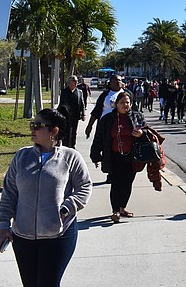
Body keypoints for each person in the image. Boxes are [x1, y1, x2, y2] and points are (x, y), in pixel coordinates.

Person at [0, 107, 92, 287]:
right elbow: (9, 192)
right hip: (23, 235)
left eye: (38, 125)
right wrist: (3, 225)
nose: (33, 129)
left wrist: (69, 205)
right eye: (33, 124)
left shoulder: (70, 158)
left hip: (59, 234)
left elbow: (85, 186)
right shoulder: (22, 157)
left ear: (53, 131)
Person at [89, 91, 146, 223]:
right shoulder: (107, 119)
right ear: (116, 104)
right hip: (113, 156)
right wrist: (96, 155)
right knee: (116, 183)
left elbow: (147, 132)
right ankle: (115, 210)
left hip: (132, 157)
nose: (125, 105)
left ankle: (122, 207)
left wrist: (142, 133)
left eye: (127, 102)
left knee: (127, 183)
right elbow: (99, 138)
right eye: (122, 102)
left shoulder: (138, 117)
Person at [84, 73, 125, 139]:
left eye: (119, 80)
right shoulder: (105, 95)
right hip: (105, 126)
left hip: (121, 126)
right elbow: (96, 111)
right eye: (115, 80)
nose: (117, 82)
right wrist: (89, 126)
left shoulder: (127, 94)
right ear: (110, 83)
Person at [57, 76, 85, 149]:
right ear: (69, 83)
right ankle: (65, 145)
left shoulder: (79, 92)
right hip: (65, 115)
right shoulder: (64, 91)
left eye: (76, 81)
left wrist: (83, 114)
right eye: (73, 81)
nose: (75, 83)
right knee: (66, 131)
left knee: (74, 131)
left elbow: (82, 103)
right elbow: (61, 103)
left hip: (75, 115)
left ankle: (72, 145)